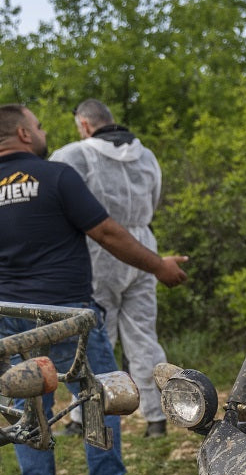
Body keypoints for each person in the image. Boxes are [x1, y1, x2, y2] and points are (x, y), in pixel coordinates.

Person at [0, 104, 188, 475]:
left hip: (10, 314)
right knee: (99, 394)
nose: (43, 130)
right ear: (25, 134)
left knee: (27, 400)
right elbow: (105, 231)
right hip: (68, 312)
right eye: (38, 124)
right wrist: (159, 266)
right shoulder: (56, 176)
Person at [50, 99, 168, 438]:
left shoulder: (75, 153)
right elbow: (155, 199)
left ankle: (84, 416)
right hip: (143, 247)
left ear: (85, 125)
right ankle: (156, 418)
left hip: (97, 248)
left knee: (95, 337)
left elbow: (56, 196)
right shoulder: (147, 155)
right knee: (144, 335)